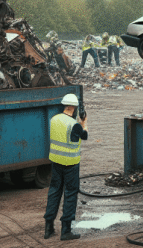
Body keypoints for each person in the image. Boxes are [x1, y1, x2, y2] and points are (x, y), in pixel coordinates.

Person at [44, 93, 88, 241]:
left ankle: (48, 228)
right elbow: (84, 136)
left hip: (56, 162)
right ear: (73, 108)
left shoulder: (54, 119)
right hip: (71, 164)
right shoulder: (74, 125)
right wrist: (84, 122)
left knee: (54, 192)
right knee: (70, 195)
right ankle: (66, 231)